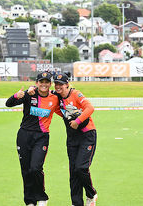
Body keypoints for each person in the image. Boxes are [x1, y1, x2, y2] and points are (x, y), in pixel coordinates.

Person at [30, 73, 97, 206]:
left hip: (87, 135)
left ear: (67, 84)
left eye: (61, 84)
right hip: (72, 137)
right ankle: (76, 203)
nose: (58, 86)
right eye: (57, 84)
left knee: (81, 168)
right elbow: (45, 98)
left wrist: (77, 121)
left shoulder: (76, 94)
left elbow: (90, 108)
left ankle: (91, 193)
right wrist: (32, 89)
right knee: (73, 172)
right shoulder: (56, 97)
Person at [5, 71, 60, 206]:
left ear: (50, 84)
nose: (44, 84)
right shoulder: (30, 94)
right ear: (37, 83)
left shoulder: (54, 97)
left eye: (47, 82)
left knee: (35, 168)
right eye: (41, 82)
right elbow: (9, 103)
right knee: (26, 170)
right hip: (24, 135)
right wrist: (16, 95)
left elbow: (65, 98)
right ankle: (30, 201)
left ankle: (42, 197)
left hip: (41, 137)